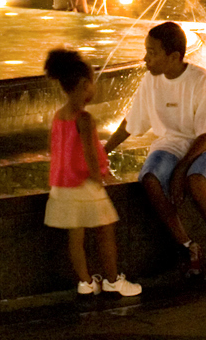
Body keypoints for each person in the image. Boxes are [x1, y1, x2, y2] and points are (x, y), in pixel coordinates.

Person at [107, 20, 206, 283]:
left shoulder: (201, 81)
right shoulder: (150, 80)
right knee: (151, 179)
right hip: (170, 143)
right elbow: (131, 122)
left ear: (174, 57)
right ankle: (187, 246)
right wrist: (103, 151)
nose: (146, 59)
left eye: (152, 53)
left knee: (197, 179)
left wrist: (181, 171)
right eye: (146, 51)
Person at [43, 47, 142, 298]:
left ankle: (85, 283)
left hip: (62, 186)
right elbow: (90, 153)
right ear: (86, 85)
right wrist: (101, 177)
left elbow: (58, 151)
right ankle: (112, 281)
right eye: (93, 83)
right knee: (105, 231)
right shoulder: (84, 118)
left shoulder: (59, 115)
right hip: (85, 185)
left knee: (75, 237)